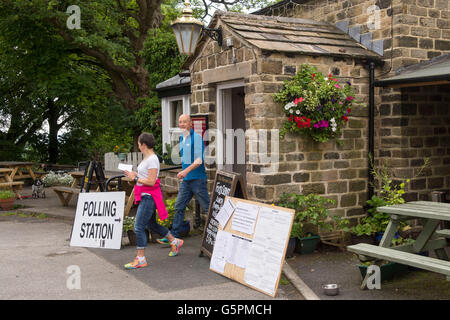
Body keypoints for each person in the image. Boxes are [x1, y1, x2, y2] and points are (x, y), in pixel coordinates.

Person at [123, 133, 184, 269]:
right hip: (145, 195)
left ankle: (141, 259)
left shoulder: (152, 159)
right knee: (151, 225)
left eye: (138, 143)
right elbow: (145, 177)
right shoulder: (148, 158)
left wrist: (134, 178)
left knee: (138, 227)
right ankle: (174, 241)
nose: (138, 145)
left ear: (143, 144)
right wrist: (134, 175)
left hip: (148, 197)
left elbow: (151, 182)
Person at [157, 114, 210, 243]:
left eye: (184, 122)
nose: (181, 124)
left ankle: (221, 233)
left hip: (197, 179)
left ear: (190, 123)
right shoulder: (182, 138)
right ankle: (173, 236)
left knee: (207, 208)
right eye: (180, 122)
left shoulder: (196, 138)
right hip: (187, 181)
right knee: (179, 206)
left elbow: (199, 160)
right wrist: (184, 171)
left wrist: (185, 171)